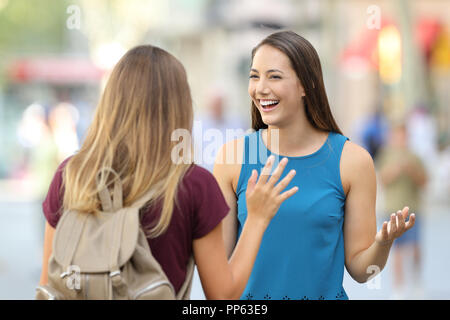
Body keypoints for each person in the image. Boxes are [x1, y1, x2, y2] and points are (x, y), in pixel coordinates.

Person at [38, 45, 299, 299]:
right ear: (179, 105)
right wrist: (256, 218)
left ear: (111, 103)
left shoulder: (71, 175)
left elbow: (49, 285)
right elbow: (222, 295)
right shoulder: (193, 185)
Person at [213, 31, 416, 300]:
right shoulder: (232, 158)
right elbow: (218, 280)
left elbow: (362, 271)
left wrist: (383, 243)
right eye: (254, 76)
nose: (260, 87)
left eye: (274, 76)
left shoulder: (352, 161)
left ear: (306, 84)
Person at [377, 122, 427, 299]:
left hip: (413, 208)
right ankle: (398, 287)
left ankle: (417, 282)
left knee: (415, 248)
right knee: (395, 250)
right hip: (392, 209)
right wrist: (396, 169)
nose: (400, 139)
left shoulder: (415, 157)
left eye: (403, 136)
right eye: (397, 136)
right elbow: (382, 180)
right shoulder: (386, 155)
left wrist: (411, 170)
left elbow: (424, 183)